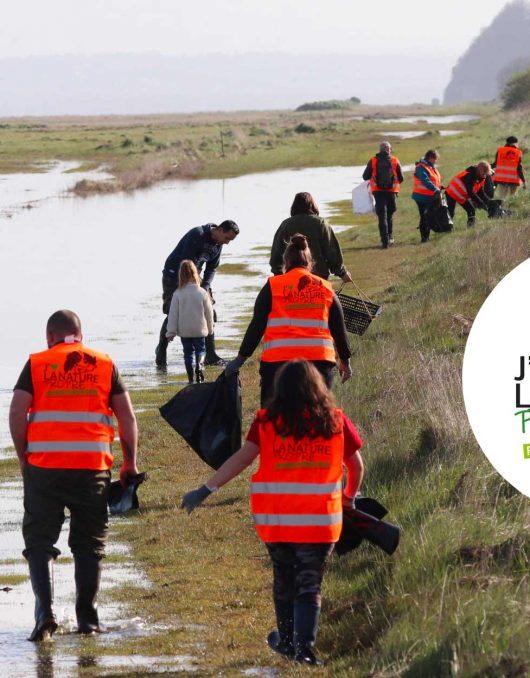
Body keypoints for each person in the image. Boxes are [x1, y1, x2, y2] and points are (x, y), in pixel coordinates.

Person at [181, 359, 365, 666]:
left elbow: (241, 459)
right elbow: (356, 466)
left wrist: (206, 489)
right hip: (320, 523)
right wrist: (348, 498)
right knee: (309, 582)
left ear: (279, 390)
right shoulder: (336, 421)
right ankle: (303, 649)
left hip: (277, 522)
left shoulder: (266, 422)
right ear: (318, 386)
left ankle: (288, 641)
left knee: (284, 579)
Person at [8, 310, 140, 641]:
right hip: (92, 468)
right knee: (89, 545)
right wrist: (129, 463)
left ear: (50, 336)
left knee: (39, 542)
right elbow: (126, 417)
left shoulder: (38, 363)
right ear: (80, 334)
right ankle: (88, 620)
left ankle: (46, 613)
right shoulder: (103, 364)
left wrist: (25, 458)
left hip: (45, 469)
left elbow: (16, 411)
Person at [225, 235, 353, 405]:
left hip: (277, 366)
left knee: (272, 422)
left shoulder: (272, 287)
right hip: (319, 365)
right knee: (318, 421)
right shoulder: (326, 289)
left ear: (286, 262)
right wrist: (345, 361)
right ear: (309, 262)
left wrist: (240, 359)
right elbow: (339, 330)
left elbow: (256, 327)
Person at [155, 220, 239, 369]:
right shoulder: (198, 234)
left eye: (230, 240)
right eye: (227, 238)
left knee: (209, 311)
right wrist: (195, 286)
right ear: (219, 230)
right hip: (175, 273)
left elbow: (212, 268)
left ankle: (210, 355)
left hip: (196, 277)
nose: (227, 243)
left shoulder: (218, 245)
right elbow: (186, 261)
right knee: (174, 311)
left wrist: (205, 287)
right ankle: (161, 350)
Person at [269, 192, 352, 282]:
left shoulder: (285, 225)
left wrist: (277, 273)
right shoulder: (321, 223)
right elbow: (331, 252)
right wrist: (342, 273)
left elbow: (276, 253)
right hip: (319, 278)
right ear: (312, 205)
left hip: (292, 279)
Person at [165, 260, 215, 384]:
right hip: (199, 329)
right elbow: (209, 313)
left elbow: (173, 315)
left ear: (180, 275)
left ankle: (191, 379)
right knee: (201, 350)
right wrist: (210, 328)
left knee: (188, 353)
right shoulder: (202, 293)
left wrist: (170, 332)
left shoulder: (178, 294)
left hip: (185, 331)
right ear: (195, 273)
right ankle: (199, 366)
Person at [362, 141, 404, 249]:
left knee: (382, 217)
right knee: (389, 215)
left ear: (380, 150)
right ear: (389, 149)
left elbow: (365, 176)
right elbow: (401, 178)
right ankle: (390, 237)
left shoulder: (373, 160)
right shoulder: (395, 160)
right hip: (391, 192)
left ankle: (384, 241)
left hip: (378, 192)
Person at [446, 162, 494, 226]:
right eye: (484, 173)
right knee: (451, 212)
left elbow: (480, 192)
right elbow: (470, 193)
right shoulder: (470, 175)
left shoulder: (481, 177)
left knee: (471, 210)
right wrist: (482, 204)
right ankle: (446, 227)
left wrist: (489, 202)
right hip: (451, 193)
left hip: (461, 195)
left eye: (486, 174)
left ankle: (470, 227)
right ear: (479, 170)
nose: (485, 176)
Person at [411, 149, 442, 243]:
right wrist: (435, 189)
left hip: (430, 196)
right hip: (421, 197)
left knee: (429, 216)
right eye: (435, 159)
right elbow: (425, 180)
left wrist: (439, 187)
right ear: (430, 158)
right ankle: (424, 238)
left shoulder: (430, 166)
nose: (436, 161)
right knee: (424, 216)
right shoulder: (421, 167)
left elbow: (435, 180)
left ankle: (426, 237)